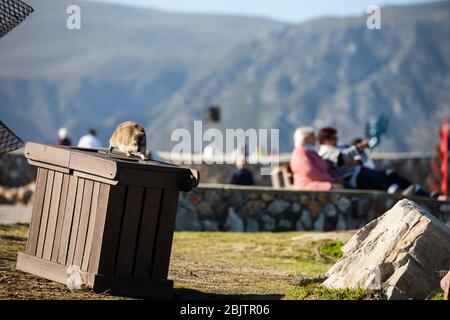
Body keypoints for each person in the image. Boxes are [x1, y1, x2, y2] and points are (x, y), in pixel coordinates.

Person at [318, 127, 430, 196]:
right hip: (355, 178)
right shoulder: (325, 152)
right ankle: (400, 194)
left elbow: (355, 157)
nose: (336, 140)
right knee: (383, 182)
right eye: (333, 138)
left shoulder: (340, 146)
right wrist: (358, 148)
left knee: (390, 173)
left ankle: (421, 193)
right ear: (325, 140)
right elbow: (342, 158)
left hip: (362, 171)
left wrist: (358, 155)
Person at [290, 127, 342, 191]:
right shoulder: (300, 152)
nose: (316, 138)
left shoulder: (312, 152)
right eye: (313, 136)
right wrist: (330, 179)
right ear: (306, 138)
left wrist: (336, 178)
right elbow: (309, 171)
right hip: (308, 184)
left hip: (320, 182)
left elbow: (327, 168)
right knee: (338, 189)